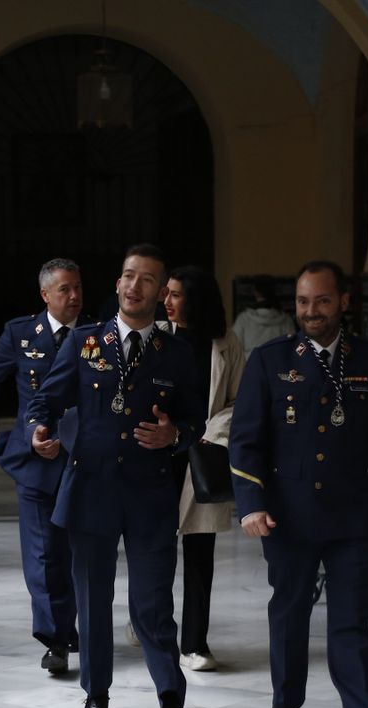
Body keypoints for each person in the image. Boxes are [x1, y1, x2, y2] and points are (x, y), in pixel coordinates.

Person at [25, 245, 210, 708]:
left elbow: (195, 422)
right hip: (91, 493)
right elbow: (47, 399)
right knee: (94, 600)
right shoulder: (87, 341)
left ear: (162, 293)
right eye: (129, 276)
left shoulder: (177, 353)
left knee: (153, 606)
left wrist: (174, 434)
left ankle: (173, 707)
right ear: (117, 283)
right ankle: (97, 695)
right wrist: (38, 429)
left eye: (148, 280)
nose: (135, 287)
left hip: (150, 496)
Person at [229, 260, 368, 708]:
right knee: (289, 614)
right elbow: (246, 442)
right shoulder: (270, 361)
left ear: (343, 302)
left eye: (322, 301)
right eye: (304, 302)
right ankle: (285, 704)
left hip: (353, 517)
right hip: (289, 518)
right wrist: (251, 504)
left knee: (353, 624)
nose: (311, 311)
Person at [0, 258, 87, 675]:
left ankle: (82, 629)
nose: (73, 296)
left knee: (83, 551)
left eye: (77, 288)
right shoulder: (21, 334)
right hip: (36, 462)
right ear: (45, 295)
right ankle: (55, 639)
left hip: (82, 461)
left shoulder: (95, 334)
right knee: (43, 554)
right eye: (64, 290)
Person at [163, 266, 246, 671]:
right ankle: (152, 624)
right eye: (167, 293)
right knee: (156, 548)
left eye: (176, 294)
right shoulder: (158, 335)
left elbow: (237, 400)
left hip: (204, 453)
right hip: (159, 452)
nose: (168, 301)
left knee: (200, 552)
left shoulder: (227, 343)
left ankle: (195, 643)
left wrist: (211, 432)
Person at [231, 275, 296, 353]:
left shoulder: (243, 319)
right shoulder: (286, 320)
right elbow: (293, 349)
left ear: (256, 292)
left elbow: (234, 349)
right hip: (278, 364)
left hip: (250, 364)